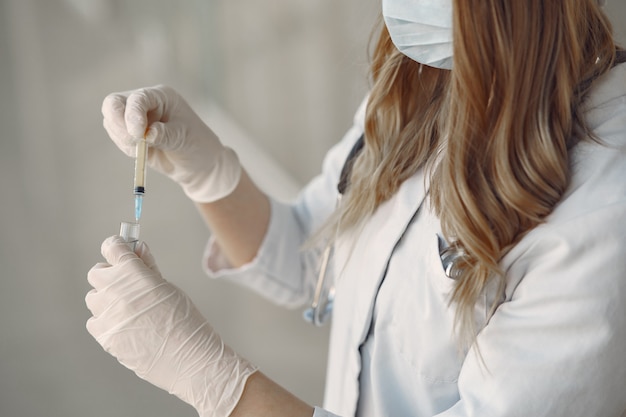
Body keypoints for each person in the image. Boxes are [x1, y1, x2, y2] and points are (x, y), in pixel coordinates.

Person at [85, 0, 626, 416]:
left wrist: (219, 386)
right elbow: (308, 255)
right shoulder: (428, 80)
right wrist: (204, 168)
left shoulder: (603, 207)